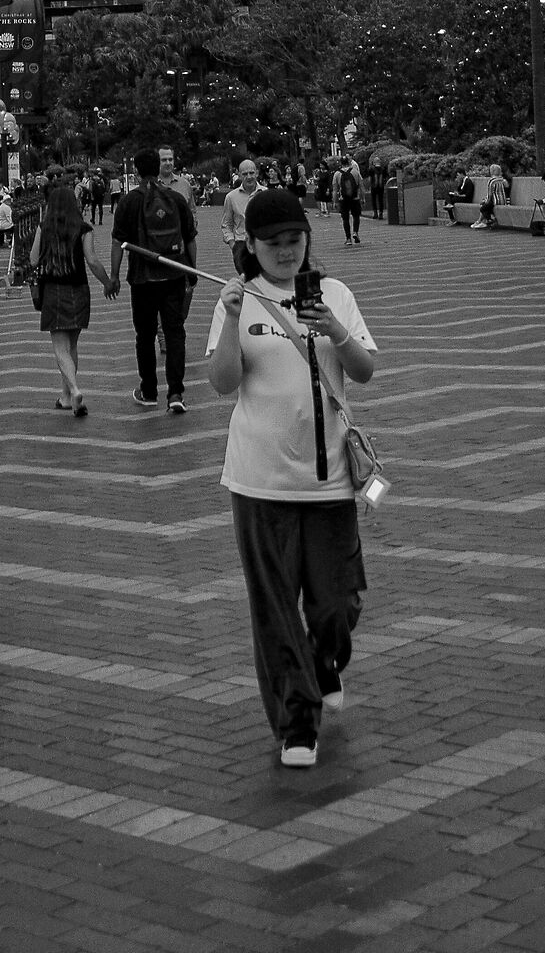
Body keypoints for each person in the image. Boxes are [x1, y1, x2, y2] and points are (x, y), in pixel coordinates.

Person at [204, 186, 377, 770]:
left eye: (294, 240)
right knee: (275, 606)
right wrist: (230, 320)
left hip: (330, 480)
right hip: (260, 480)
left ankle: (326, 661)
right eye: (272, 243)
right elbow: (222, 382)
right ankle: (296, 718)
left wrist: (334, 329)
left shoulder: (335, 295)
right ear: (250, 245)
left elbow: (366, 371)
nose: (285, 252)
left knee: (336, 604)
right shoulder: (240, 299)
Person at [107, 146, 197, 413]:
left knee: (145, 336)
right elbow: (190, 238)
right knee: (175, 333)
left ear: (135, 171)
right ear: (159, 167)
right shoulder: (175, 198)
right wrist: (191, 271)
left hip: (142, 279)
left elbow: (117, 243)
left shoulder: (128, 202)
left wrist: (113, 276)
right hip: (173, 275)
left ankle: (148, 390)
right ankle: (176, 392)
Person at [31, 169, 111, 416]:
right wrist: (108, 282)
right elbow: (93, 260)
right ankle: (66, 396)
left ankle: (74, 390)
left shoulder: (45, 227)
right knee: (72, 345)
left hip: (54, 290)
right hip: (79, 289)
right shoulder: (84, 228)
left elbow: (34, 260)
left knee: (60, 347)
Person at [222, 159, 260, 273]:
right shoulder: (231, 197)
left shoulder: (266, 193)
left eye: (251, 173)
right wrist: (233, 245)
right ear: (239, 175)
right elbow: (226, 224)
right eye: (244, 174)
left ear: (257, 173)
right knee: (247, 281)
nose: (249, 177)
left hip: (263, 243)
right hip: (241, 245)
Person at [338, 154, 365, 243]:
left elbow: (335, 189)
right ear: (349, 162)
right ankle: (355, 232)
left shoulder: (337, 174)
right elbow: (361, 186)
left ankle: (348, 238)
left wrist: (334, 201)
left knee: (345, 219)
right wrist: (363, 198)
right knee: (356, 216)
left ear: (341, 163)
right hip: (355, 198)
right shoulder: (355, 172)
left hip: (343, 199)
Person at [368, 145, 388, 223]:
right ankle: (381, 213)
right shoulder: (382, 169)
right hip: (381, 186)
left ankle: (375, 213)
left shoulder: (371, 169)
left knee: (374, 200)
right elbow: (385, 177)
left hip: (374, 186)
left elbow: (370, 178)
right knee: (380, 200)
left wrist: (370, 185)